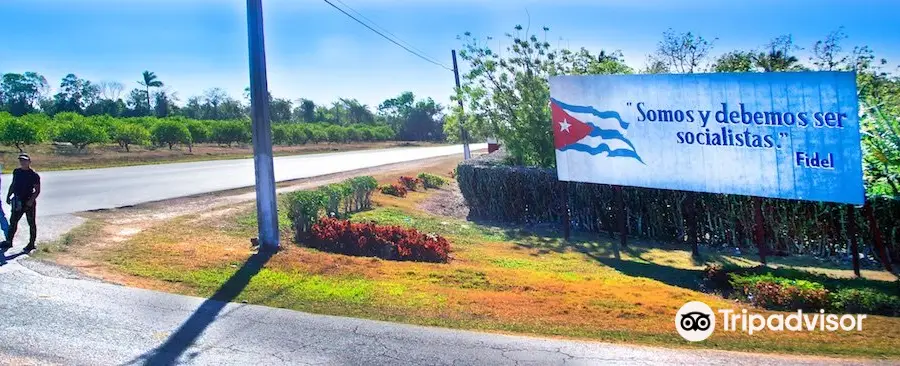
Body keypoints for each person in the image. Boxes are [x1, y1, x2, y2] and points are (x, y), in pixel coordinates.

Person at [1, 153, 41, 252]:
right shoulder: (17, 172)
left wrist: (30, 201)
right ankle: (9, 241)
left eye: (25, 160)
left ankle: (31, 243)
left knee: (31, 223)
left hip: (28, 201)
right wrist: (8, 195)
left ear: (29, 162)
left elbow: (37, 190)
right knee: (13, 222)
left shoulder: (34, 175)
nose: (22, 162)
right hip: (17, 201)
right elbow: (13, 184)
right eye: (21, 160)